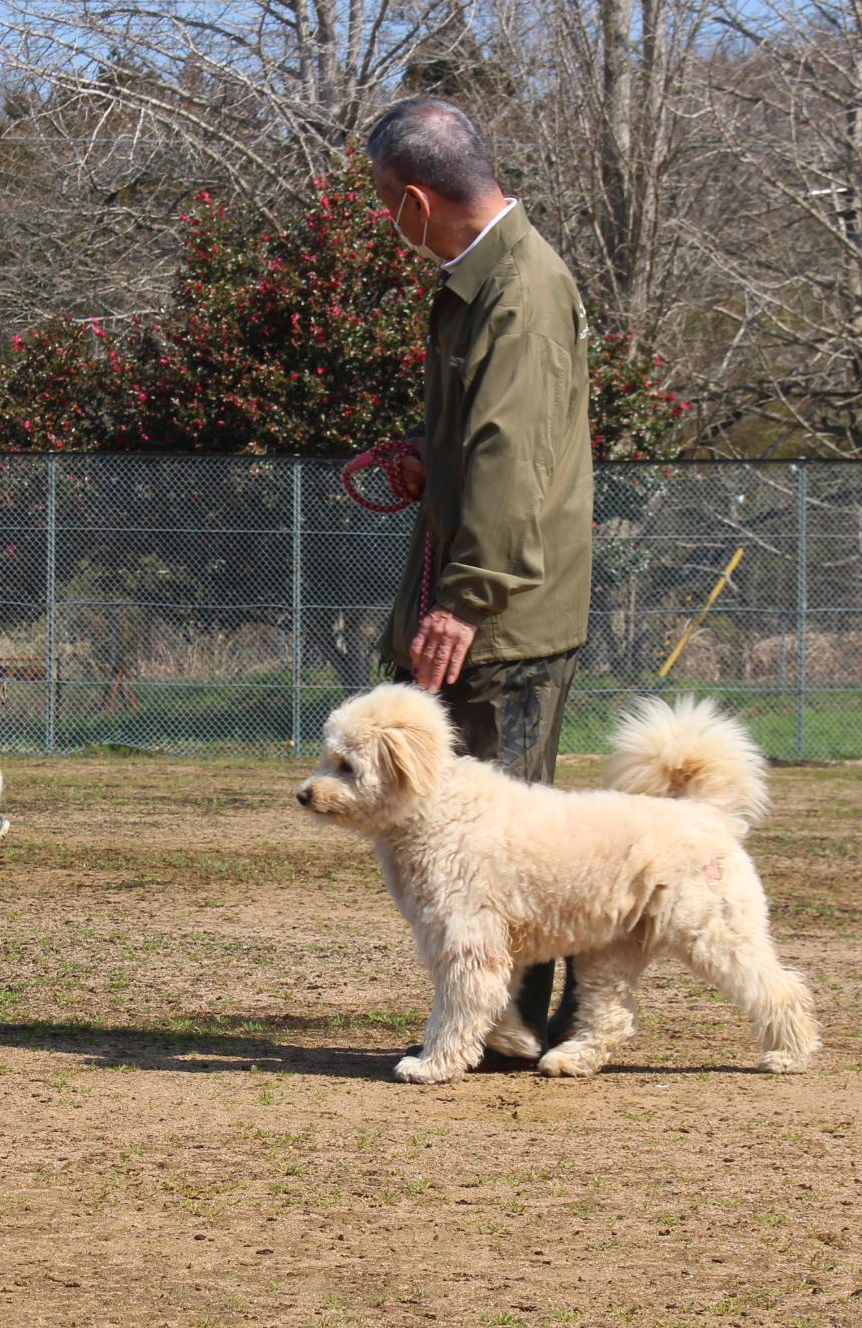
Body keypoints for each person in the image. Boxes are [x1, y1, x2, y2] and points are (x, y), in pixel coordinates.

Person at [364, 97, 596, 1060]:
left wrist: (467, 593)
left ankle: (531, 1023)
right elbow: (486, 443)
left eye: (384, 202)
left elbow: (514, 456)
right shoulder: (483, 283)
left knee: (513, 839)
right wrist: (429, 456)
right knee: (477, 833)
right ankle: (502, 1017)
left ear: (417, 201)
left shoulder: (521, 290)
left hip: (504, 614)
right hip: (482, 593)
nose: (386, 220)